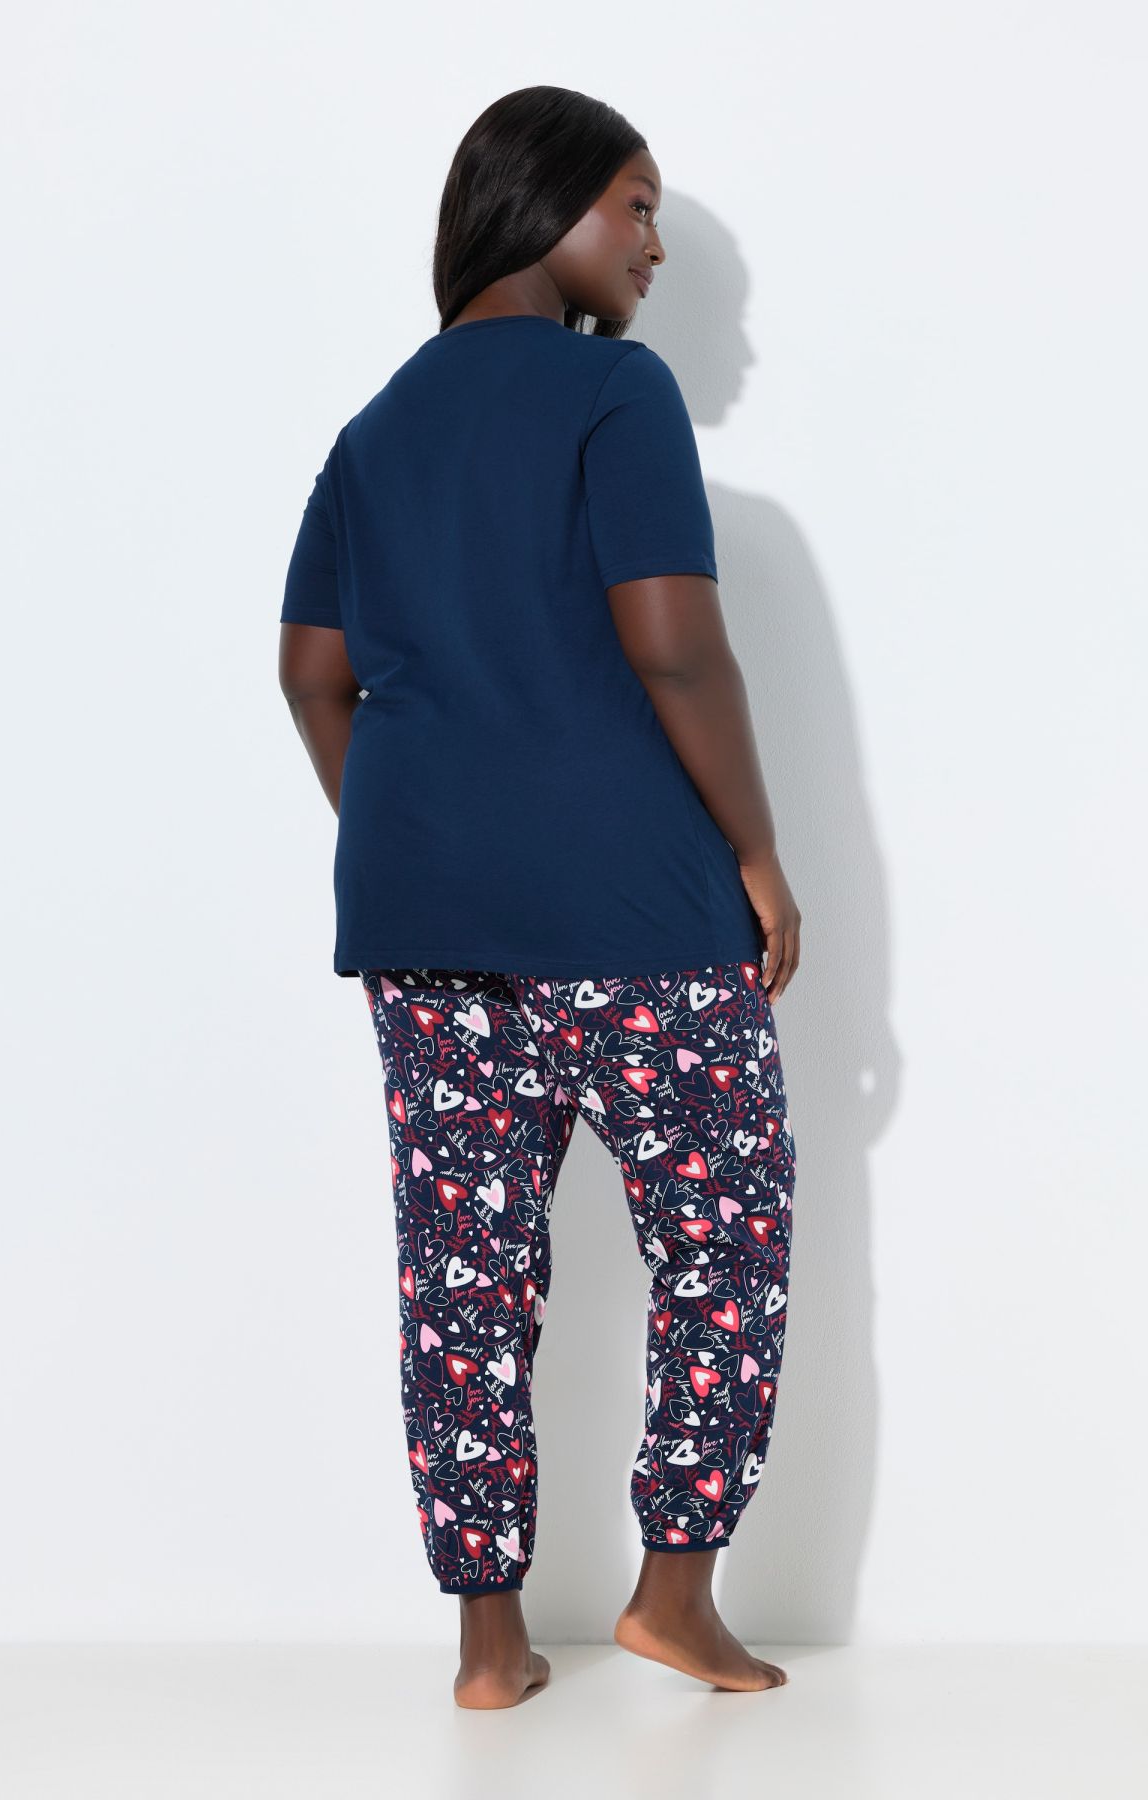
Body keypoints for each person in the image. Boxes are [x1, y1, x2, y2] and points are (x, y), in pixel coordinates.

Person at [277, 85, 802, 1708]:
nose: (653, 246)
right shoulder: (613, 392)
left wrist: (425, 830)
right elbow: (675, 645)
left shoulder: (372, 432)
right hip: (639, 917)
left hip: (432, 935)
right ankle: (673, 1600)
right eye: (635, 206)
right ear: (544, 203)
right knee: (722, 1243)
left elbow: (310, 674)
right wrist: (760, 853)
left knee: (464, 1276)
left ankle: (489, 1651)